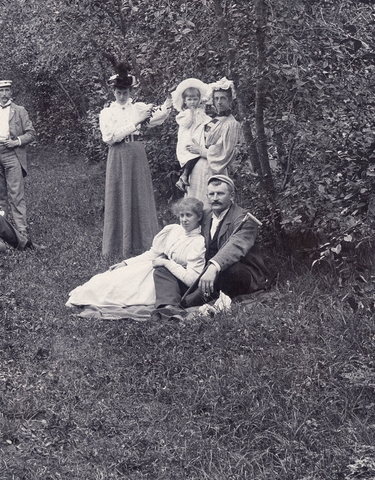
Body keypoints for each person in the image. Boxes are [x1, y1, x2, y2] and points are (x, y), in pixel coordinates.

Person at [66, 197, 208, 319]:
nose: (184, 220)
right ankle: (85, 295)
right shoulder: (173, 230)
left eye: (189, 215)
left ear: (199, 217)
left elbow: (192, 280)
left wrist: (166, 263)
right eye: (181, 215)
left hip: (171, 280)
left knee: (129, 292)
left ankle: (169, 307)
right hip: (153, 268)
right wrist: (126, 263)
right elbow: (152, 254)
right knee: (112, 279)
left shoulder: (198, 242)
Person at [153, 174, 268, 311]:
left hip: (237, 272)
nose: (215, 198)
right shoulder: (205, 215)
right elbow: (187, 231)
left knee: (231, 271)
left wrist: (214, 267)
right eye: (211, 194)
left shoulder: (244, 218)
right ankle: (169, 305)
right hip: (204, 272)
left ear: (232, 196)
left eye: (220, 194)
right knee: (162, 269)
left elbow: (236, 245)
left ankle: (190, 302)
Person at [99, 65, 171, 259]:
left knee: (140, 193)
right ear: (113, 92)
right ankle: (118, 246)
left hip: (137, 152)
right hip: (119, 154)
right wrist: (135, 123)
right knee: (119, 194)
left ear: (130, 92)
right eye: (118, 92)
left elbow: (159, 116)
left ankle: (143, 243)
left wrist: (171, 99)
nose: (121, 96)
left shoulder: (138, 108)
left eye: (125, 92)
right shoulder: (107, 113)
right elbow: (110, 136)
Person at [0, 79, 35, 249]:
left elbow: (31, 133)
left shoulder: (19, 111)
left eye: (7, 90)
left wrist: (16, 141)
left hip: (12, 154)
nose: (4, 94)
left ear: (11, 92)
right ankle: (2, 230)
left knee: (16, 194)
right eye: (1, 91)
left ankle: (21, 230)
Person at [170, 77, 212, 198]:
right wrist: (192, 113)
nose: (192, 102)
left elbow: (207, 121)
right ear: (185, 101)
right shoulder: (183, 114)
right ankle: (184, 176)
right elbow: (187, 123)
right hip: (187, 139)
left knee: (197, 154)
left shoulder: (200, 112)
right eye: (189, 99)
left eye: (195, 99)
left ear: (199, 100)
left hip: (197, 139)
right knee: (191, 156)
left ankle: (183, 177)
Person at [202, 77, 245, 186]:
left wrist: (200, 151)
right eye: (216, 99)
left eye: (223, 98)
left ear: (230, 101)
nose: (219, 102)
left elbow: (224, 153)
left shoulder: (231, 124)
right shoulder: (214, 120)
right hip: (202, 168)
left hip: (216, 171)